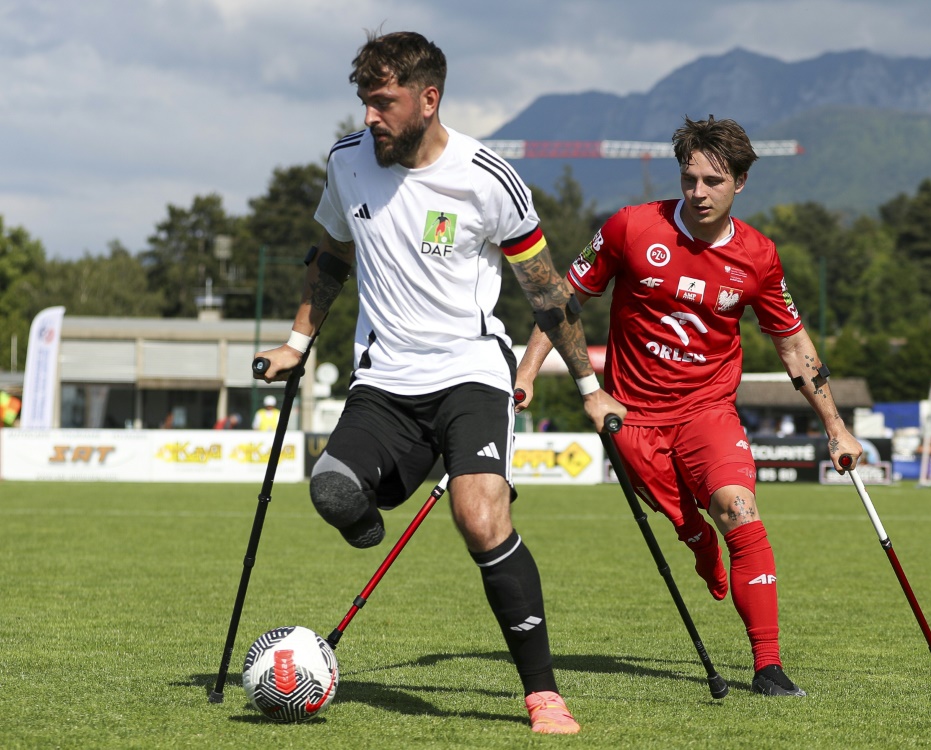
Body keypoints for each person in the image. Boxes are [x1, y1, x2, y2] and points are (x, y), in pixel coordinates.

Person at [253, 30, 623, 734]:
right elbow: (330, 255)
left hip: (470, 374)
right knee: (332, 491)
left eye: (383, 101)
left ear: (429, 98)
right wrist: (298, 341)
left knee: (480, 518)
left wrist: (586, 386)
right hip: (385, 380)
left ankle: (542, 694)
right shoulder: (346, 164)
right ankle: (382, 497)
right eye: (364, 101)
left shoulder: (487, 176)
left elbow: (547, 293)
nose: (369, 117)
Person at [515, 115, 864, 697]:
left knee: (737, 507)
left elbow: (793, 344)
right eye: (689, 178)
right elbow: (561, 300)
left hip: (708, 410)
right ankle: (696, 539)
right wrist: (525, 374)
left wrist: (836, 428)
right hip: (629, 414)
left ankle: (769, 667)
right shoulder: (631, 227)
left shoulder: (759, 257)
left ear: (741, 184)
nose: (698, 193)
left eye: (713, 182)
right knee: (693, 525)